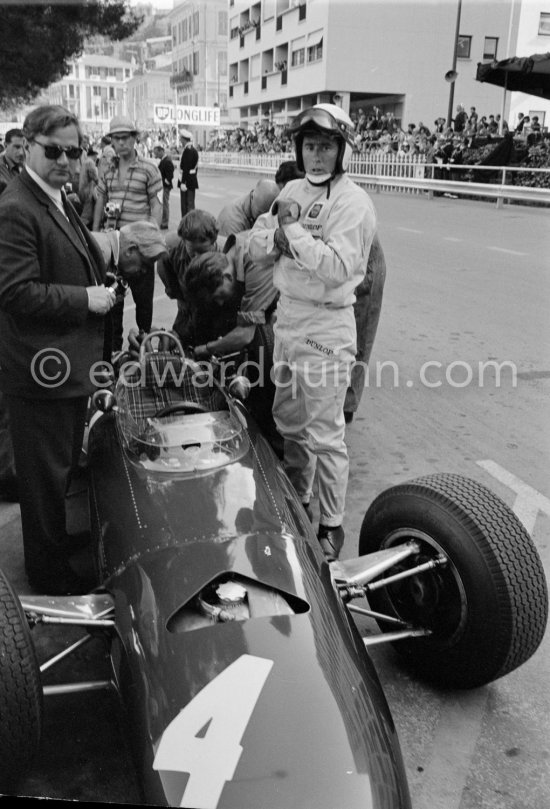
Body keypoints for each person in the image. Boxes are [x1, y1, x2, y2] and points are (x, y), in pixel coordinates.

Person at [248, 103, 377, 561]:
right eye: (308, 145)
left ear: (342, 150)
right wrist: (283, 236)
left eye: (324, 146)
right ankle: (300, 498)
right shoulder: (291, 190)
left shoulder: (353, 203)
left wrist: (293, 235)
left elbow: (338, 268)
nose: (315, 155)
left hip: (328, 322)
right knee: (288, 422)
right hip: (289, 319)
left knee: (324, 433)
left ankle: (332, 523)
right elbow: (258, 248)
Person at [0, 104, 115, 595]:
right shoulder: (15, 207)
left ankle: (53, 547)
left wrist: (98, 273)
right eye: (55, 151)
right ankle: (47, 575)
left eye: (75, 151)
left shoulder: (54, 195)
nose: (66, 160)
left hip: (63, 369)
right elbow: (16, 293)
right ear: (27, 145)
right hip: (38, 372)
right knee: (44, 482)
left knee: (59, 470)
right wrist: (86, 299)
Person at [92, 115, 163, 352]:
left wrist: (151, 235)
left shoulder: (149, 170)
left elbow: (157, 204)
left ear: (135, 139)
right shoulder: (108, 170)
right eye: (116, 139)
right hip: (115, 251)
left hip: (139, 250)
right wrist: (94, 235)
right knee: (113, 308)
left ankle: (141, 350)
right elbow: (100, 199)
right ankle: (114, 355)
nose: (120, 143)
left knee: (144, 306)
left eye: (125, 138)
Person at [92, 221, 168, 357]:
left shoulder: (107, 252)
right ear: (130, 250)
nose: (144, 271)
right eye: (144, 264)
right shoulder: (99, 255)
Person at [153, 143, 174, 229]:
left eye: (157, 153)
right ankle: (163, 221)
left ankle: (165, 222)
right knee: (162, 204)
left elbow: (170, 175)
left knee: (165, 205)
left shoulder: (167, 160)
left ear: (161, 151)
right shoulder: (163, 160)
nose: (155, 155)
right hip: (163, 186)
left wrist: (166, 182)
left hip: (165, 186)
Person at [179, 129, 199, 217]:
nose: (180, 140)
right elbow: (196, 167)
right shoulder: (193, 150)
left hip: (187, 181)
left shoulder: (188, 150)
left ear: (184, 139)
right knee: (190, 205)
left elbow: (186, 167)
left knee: (186, 206)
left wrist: (183, 182)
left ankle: (187, 226)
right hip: (191, 179)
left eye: (180, 139)